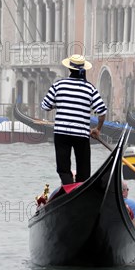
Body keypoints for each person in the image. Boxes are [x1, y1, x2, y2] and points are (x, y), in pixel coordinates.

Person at [41, 54, 107, 185]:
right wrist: (97, 129)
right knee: (84, 170)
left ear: (69, 69)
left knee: (63, 168)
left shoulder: (58, 85)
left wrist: (59, 104)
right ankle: (79, 189)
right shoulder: (90, 88)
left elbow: (45, 106)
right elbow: (102, 112)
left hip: (61, 133)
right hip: (81, 134)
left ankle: (69, 188)